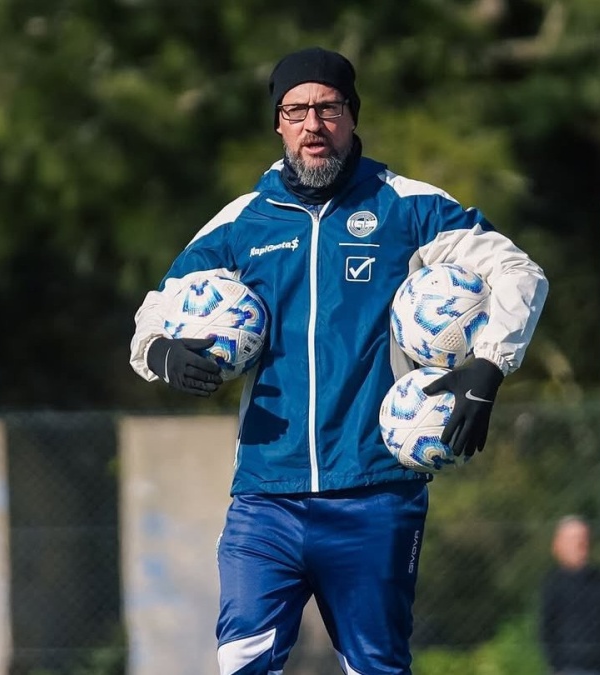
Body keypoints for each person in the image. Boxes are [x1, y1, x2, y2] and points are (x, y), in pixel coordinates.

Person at [130, 46, 548, 675]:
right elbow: (153, 313)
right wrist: (160, 351)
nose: (312, 125)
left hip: (376, 490)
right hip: (266, 493)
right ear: (278, 123)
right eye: (295, 110)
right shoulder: (242, 222)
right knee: (240, 659)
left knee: (376, 666)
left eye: (328, 108)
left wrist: (490, 363)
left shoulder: (408, 206)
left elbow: (519, 271)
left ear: (352, 115)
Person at [540, 516, 600, 675]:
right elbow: (547, 630)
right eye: (573, 539)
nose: (580, 544)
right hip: (571, 668)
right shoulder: (553, 586)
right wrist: (559, 664)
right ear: (558, 545)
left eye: (583, 538)